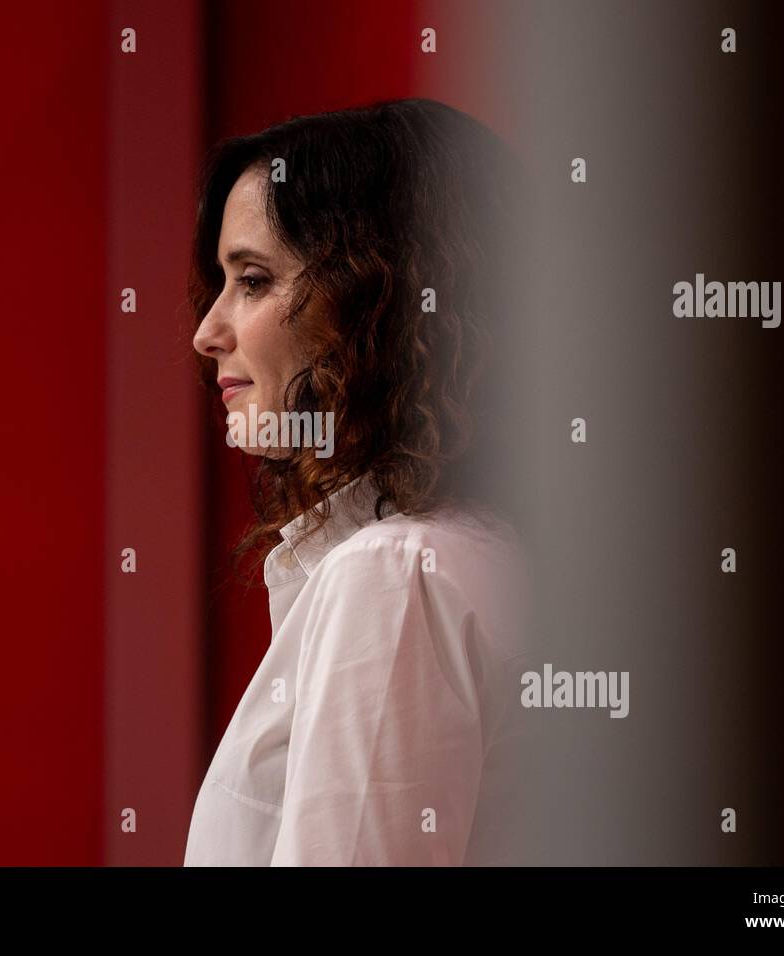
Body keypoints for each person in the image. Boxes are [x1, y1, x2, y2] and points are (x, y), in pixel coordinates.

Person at [183, 98, 533, 865]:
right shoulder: (482, 553)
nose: (206, 331)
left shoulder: (397, 573)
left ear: (372, 302)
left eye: (252, 279)